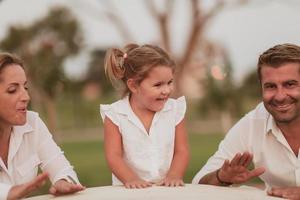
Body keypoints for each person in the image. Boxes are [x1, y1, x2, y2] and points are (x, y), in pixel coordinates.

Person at [192, 43, 300, 199]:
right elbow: (198, 183)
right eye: (270, 86)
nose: (280, 96)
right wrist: (221, 177)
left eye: (290, 84)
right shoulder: (253, 123)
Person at [100, 44, 190, 189]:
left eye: (169, 82)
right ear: (134, 86)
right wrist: (131, 179)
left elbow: (182, 150)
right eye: (158, 85)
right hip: (129, 193)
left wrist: (174, 175)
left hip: (166, 190)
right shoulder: (115, 115)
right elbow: (113, 156)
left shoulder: (175, 110)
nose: (166, 90)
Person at [0, 53, 85, 200]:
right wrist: (10, 192)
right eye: (13, 90)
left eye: (25, 87)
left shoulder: (33, 122)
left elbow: (61, 167)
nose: (26, 97)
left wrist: (63, 181)